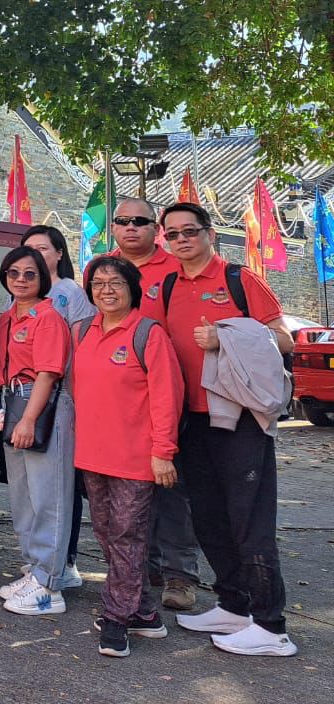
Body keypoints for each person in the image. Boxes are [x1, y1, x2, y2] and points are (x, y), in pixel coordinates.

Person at [157, 203, 297, 657]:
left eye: (190, 231)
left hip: (239, 419)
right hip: (191, 417)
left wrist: (227, 335)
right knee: (209, 516)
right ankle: (234, 605)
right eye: (173, 234)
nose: (182, 240)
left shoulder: (239, 278)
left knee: (249, 519)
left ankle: (271, 625)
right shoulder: (170, 285)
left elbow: (283, 339)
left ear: (210, 234)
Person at [73, 255, 182, 658]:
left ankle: (116, 619)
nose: (106, 290)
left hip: (137, 459)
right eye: (98, 283)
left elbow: (168, 398)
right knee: (107, 535)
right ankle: (146, 614)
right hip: (93, 455)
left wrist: (163, 453)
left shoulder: (148, 334)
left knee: (127, 536)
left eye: (115, 282)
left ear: (132, 288)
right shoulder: (83, 330)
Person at [110, 196, 200, 612]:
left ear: (155, 229)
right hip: (119, 402)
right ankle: (138, 570)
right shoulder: (103, 268)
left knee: (170, 489)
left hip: (166, 395)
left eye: (140, 221)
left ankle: (180, 575)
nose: (131, 228)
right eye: (123, 221)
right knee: (126, 494)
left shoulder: (175, 269)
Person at [0, 246, 74, 617]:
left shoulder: (47, 317)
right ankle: (34, 568)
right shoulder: (6, 317)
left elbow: (48, 372)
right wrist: (5, 412)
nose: (21, 280)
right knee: (22, 495)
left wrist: (28, 418)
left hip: (40, 404)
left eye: (30, 274)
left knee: (48, 495)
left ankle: (50, 584)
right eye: (13, 273)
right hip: (11, 403)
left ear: (42, 278)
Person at [19, 223, 92, 589]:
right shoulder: (20, 293)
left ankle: (65, 561)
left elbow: (81, 350)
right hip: (21, 397)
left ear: (59, 253)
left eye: (44, 248)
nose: (36, 254)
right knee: (33, 487)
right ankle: (40, 559)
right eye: (29, 248)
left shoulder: (70, 294)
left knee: (60, 486)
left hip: (59, 393)